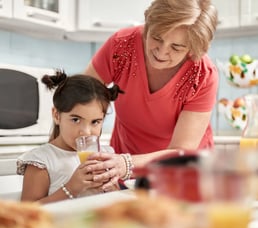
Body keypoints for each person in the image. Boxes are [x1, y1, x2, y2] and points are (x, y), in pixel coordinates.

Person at [83, 0, 219, 190]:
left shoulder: (202, 74)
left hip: (183, 172)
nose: (162, 51)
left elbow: (181, 150)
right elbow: (79, 97)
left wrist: (126, 163)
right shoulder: (121, 46)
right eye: (157, 37)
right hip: (121, 167)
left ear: (192, 49)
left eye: (177, 47)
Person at [17, 70, 124, 203]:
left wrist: (108, 186)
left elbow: (118, 202)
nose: (86, 132)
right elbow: (26, 213)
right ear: (56, 115)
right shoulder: (42, 161)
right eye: (75, 120)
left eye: (95, 122)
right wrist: (71, 188)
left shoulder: (106, 156)